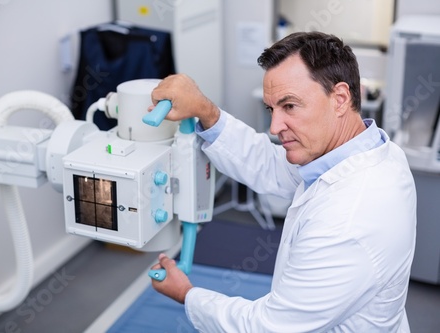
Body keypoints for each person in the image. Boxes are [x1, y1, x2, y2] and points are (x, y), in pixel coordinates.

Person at [149, 32, 417, 332]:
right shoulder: (372, 150)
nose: (275, 127)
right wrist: (206, 112)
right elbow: (272, 165)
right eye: (271, 109)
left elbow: (270, 327)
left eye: (289, 106)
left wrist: (187, 295)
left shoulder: (348, 220)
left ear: (340, 99)